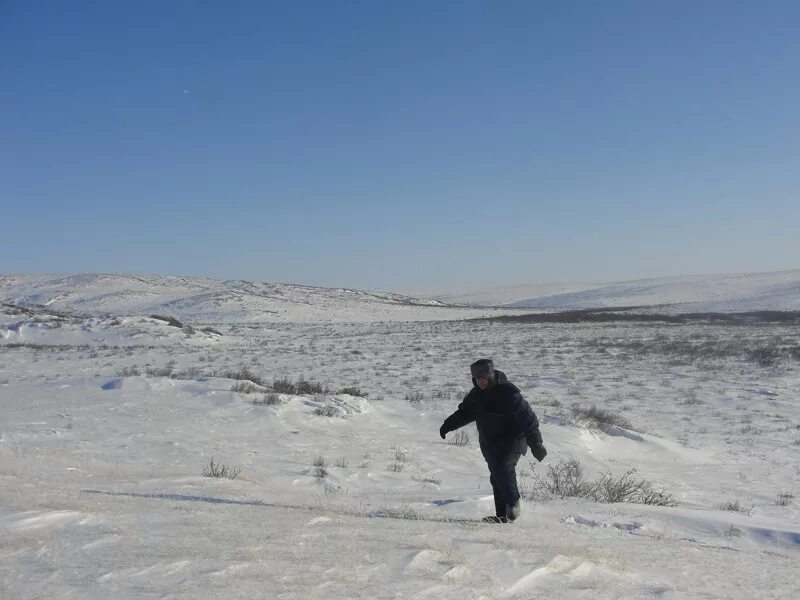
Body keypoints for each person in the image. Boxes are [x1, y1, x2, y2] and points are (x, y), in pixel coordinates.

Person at [439, 358, 547, 523]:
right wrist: (447, 425)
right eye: (477, 379)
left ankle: (513, 503)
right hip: (491, 443)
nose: (480, 382)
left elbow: (528, 418)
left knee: (503, 467)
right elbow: (464, 413)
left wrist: (536, 443)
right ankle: (502, 516)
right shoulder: (476, 396)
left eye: (483, 378)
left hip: (512, 440)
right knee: (496, 475)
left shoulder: (508, 393)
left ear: (490, 375)